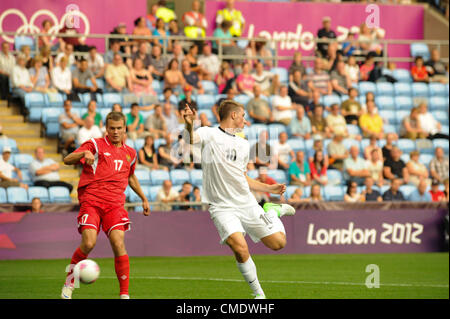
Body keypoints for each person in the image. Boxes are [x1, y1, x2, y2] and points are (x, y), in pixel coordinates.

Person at [183, 98, 295, 299]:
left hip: (246, 203)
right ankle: (258, 294)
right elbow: (190, 139)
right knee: (239, 246)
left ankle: (272, 210)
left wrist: (269, 187)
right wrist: (189, 123)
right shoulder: (209, 133)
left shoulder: (244, 145)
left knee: (279, 244)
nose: (245, 119)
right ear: (233, 115)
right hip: (221, 206)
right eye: (243, 115)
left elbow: (242, 177)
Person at [61, 111, 149, 300]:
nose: (115, 132)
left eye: (119, 128)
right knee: (89, 243)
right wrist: (84, 154)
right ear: (106, 129)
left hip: (115, 205)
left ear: (125, 128)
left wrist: (143, 197)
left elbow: (131, 176)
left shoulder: (130, 153)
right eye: (112, 128)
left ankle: (124, 294)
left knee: (118, 243)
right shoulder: (95, 145)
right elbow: (67, 159)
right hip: (92, 202)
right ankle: (69, 283)